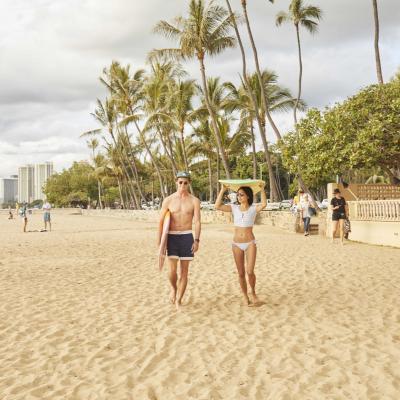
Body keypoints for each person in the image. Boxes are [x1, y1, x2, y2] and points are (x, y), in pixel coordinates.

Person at [215, 183, 267, 306]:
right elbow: (217, 206)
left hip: (250, 243)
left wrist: (262, 189)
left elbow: (264, 204)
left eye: (241, 194)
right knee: (241, 273)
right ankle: (245, 296)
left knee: (250, 271)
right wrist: (222, 190)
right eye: (237, 194)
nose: (238, 196)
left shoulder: (253, 208)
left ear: (248, 196)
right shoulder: (234, 208)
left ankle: (253, 293)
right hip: (236, 244)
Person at [158, 171, 201, 310]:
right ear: (176, 182)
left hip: (187, 236)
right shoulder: (168, 200)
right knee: (171, 271)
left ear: (189, 183)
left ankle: (179, 299)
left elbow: (198, 222)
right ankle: (173, 289)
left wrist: (197, 240)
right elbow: (161, 222)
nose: (182, 185)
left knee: (184, 271)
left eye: (185, 182)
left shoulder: (194, 201)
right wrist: (160, 243)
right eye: (180, 182)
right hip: (172, 236)